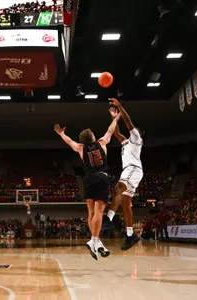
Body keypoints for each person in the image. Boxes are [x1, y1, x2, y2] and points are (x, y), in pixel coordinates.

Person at [54, 111, 121, 260]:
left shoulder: (80, 148)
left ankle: (96, 242)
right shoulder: (102, 142)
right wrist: (115, 117)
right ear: (92, 137)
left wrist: (61, 134)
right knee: (99, 212)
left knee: (91, 212)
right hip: (101, 178)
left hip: (88, 179)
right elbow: (111, 129)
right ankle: (94, 241)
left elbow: (69, 141)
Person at [105, 98, 144, 250]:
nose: (131, 131)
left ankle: (108, 218)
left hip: (133, 168)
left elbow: (128, 122)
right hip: (131, 170)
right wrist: (114, 119)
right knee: (126, 203)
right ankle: (130, 235)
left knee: (118, 188)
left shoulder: (136, 139)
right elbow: (117, 133)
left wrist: (120, 107)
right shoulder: (125, 142)